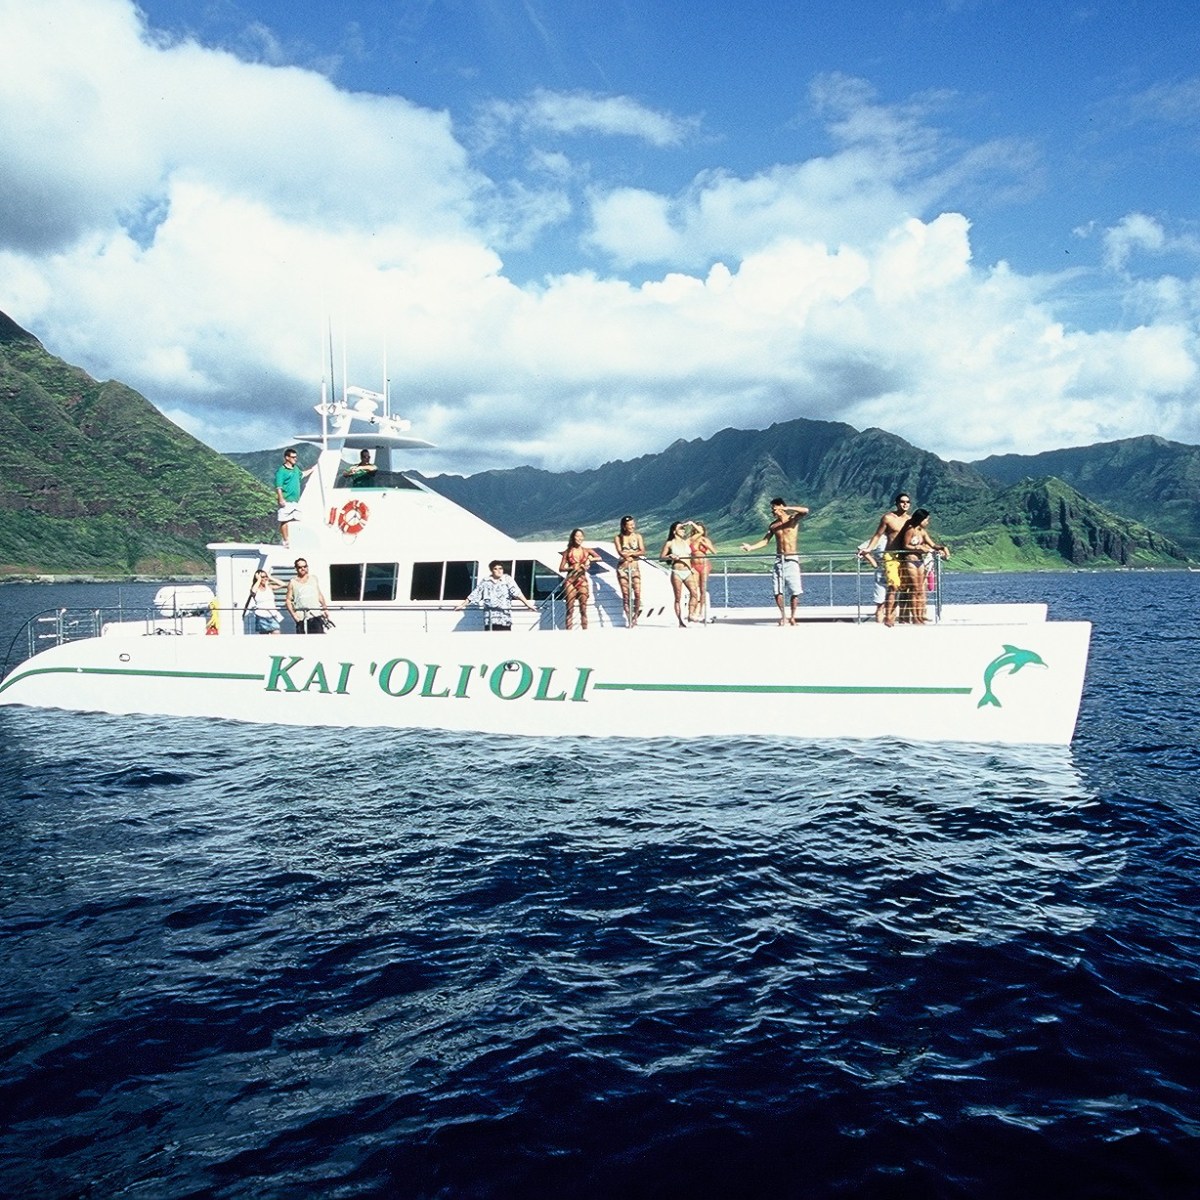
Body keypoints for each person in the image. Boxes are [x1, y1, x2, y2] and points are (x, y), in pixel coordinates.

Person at [740, 498, 809, 625]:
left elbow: (805, 510)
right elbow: (765, 541)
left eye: (774, 508)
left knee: (795, 590)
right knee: (777, 590)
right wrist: (750, 547)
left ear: (781, 506)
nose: (773, 511)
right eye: (772, 509)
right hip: (779, 560)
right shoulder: (773, 525)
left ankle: (793, 616)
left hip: (792, 558)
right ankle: (783, 616)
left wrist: (786, 509)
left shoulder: (792, 520)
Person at [893, 509, 949, 625]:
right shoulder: (910, 529)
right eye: (926, 519)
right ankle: (915, 617)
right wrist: (918, 548)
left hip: (920, 561)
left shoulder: (922, 532)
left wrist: (942, 548)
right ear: (921, 519)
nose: (928, 522)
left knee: (920, 590)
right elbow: (906, 545)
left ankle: (919, 615)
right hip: (910, 561)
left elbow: (932, 544)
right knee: (914, 589)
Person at [455, 560, 538, 631]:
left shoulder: (507, 580)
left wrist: (528, 605)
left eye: (500, 568)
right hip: (490, 617)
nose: (499, 571)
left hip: (504, 617)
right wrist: (462, 605)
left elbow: (517, 593)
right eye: (496, 569)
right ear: (492, 570)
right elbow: (475, 594)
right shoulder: (486, 582)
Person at [869, 492, 912, 627]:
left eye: (907, 502)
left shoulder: (911, 520)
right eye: (902, 501)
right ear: (897, 503)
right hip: (891, 556)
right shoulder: (888, 518)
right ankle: (888, 617)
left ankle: (903, 617)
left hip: (905, 556)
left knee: (905, 588)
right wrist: (868, 549)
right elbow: (877, 535)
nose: (905, 504)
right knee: (893, 586)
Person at [659, 520, 700, 628]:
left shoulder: (686, 542)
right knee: (678, 597)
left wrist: (691, 523)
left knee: (694, 593)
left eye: (683, 528)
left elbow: (699, 532)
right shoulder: (670, 543)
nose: (683, 530)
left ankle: (690, 614)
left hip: (687, 570)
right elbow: (661, 557)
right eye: (680, 528)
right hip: (677, 572)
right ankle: (680, 621)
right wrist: (670, 556)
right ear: (674, 531)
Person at [558, 529, 601, 630]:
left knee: (583, 609)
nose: (579, 538)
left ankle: (584, 631)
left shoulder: (586, 550)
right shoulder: (568, 552)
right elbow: (561, 568)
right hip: (570, 581)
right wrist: (571, 568)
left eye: (581, 536)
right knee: (570, 609)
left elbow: (599, 557)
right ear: (573, 537)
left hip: (582, 581)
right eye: (577, 536)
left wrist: (591, 559)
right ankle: (569, 631)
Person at [274, 447, 313, 548]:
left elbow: (302, 475)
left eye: (296, 457)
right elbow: (279, 486)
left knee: (297, 519)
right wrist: (281, 498)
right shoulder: (281, 471)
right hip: (286, 500)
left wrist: (313, 469)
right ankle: (286, 540)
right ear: (287, 458)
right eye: (293, 457)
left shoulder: (296, 469)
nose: (295, 459)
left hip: (296, 500)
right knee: (284, 520)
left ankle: (296, 539)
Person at [613, 515, 646, 627]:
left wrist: (631, 554)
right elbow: (620, 552)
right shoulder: (618, 538)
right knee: (626, 594)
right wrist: (630, 554)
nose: (632, 526)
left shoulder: (638, 536)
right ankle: (629, 618)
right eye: (630, 525)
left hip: (634, 566)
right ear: (624, 526)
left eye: (633, 524)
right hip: (622, 568)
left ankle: (635, 616)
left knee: (637, 592)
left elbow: (642, 551)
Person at [286, 558, 330, 634]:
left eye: (305, 566)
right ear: (296, 568)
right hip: (301, 617)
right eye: (300, 567)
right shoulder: (292, 582)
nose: (303, 569)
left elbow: (319, 594)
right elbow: (288, 600)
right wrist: (294, 616)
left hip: (315, 615)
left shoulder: (313, 578)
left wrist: (325, 608)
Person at [856, 533, 888, 623]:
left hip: (898, 572)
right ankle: (880, 625)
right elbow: (861, 548)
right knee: (880, 603)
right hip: (882, 572)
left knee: (894, 601)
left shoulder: (899, 536)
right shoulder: (881, 538)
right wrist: (873, 562)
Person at [243, 568, 286, 635]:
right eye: (262, 577)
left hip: (273, 615)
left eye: (266, 576)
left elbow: (283, 584)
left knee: (277, 635)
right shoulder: (256, 589)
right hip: (261, 616)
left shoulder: (269, 587)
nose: (265, 578)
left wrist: (270, 577)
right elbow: (253, 591)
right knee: (264, 638)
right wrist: (259, 580)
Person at [688, 519, 716, 623]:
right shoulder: (691, 539)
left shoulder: (705, 540)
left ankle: (701, 611)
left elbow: (714, 552)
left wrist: (707, 546)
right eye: (696, 529)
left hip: (704, 565)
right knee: (694, 589)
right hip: (694, 565)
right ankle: (693, 611)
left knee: (703, 588)